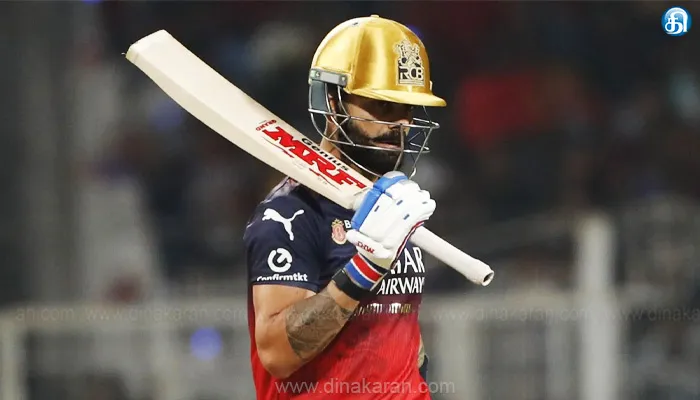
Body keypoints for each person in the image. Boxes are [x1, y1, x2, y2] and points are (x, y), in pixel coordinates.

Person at [244, 15, 447, 399]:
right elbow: (277, 353)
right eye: (381, 105)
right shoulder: (289, 214)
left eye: (407, 108)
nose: (399, 124)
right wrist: (365, 268)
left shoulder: (396, 206)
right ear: (332, 101)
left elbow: (397, 329)